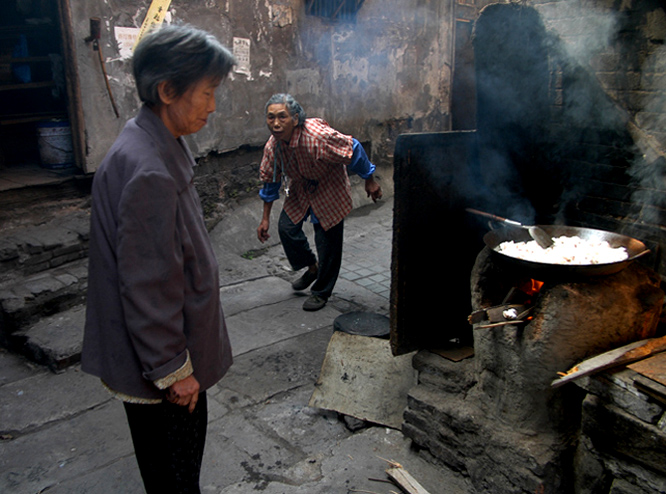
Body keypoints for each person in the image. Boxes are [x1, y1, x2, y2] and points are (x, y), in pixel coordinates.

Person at [81, 24, 235, 494]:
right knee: (175, 479)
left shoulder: (153, 140)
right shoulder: (147, 168)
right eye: (207, 92)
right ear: (167, 90)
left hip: (168, 355)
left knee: (175, 473)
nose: (212, 105)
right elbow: (148, 283)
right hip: (165, 371)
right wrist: (175, 370)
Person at [256, 93, 382, 311]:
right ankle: (311, 267)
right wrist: (264, 219)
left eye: (282, 117)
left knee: (328, 244)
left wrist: (369, 181)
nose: (276, 123)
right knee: (286, 228)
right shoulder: (273, 147)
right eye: (271, 117)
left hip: (329, 185)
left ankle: (321, 292)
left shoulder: (318, 137)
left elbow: (353, 148)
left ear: (295, 119)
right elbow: (270, 180)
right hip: (302, 187)